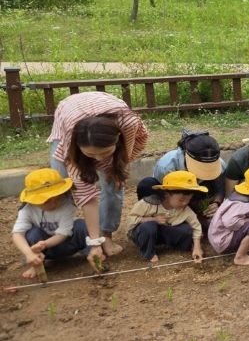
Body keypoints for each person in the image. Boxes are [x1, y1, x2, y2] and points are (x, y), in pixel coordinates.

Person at [47, 91, 149, 267]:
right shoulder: (70, 137)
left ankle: (106, 235)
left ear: (117, 141)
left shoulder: (129, 123)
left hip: (113, 117)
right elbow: (88, 198)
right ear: (78, 147)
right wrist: (94, 243)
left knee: (114, 184)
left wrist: (115, 167)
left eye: (105, 153)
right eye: (90, 154)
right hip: (69, 113)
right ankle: (55, 239)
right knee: (59, 185)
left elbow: (126, 153)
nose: (99, 159)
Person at [11, 168, 90, 280]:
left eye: (57, 197)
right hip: (43, 252)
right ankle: (37, 264)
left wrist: (45, 244)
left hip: (67, 243)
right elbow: (17, 234)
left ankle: (92, 254)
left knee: (82, 225)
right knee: (33, 234)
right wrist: (29, 253)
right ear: (33, 200)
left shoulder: (67, 204)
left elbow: (63, 233)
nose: (53, 203)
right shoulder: (27, 209)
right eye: (47, 200)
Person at [126, 171, 205, 263]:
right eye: (181, 200)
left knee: (187, 231)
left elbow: (196, 227)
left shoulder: (185, 209)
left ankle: (178, 245)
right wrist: (153, 219)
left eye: (188, 200)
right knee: (148, 227)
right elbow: (130, 219)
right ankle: (149, 252)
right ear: (167, 194)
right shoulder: (147, 203)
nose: (185, 203)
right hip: (145, 232)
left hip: (164, 231)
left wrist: (197, 247)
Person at [152, 131, 226, 218]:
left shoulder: (219, 164)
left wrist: (217, 203)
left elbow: (221, 186)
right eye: (201, 168)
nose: (204, 172)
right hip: (175, 198)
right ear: (186, 156)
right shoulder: (166, 168)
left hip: (200, 193)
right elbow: (164, 196)